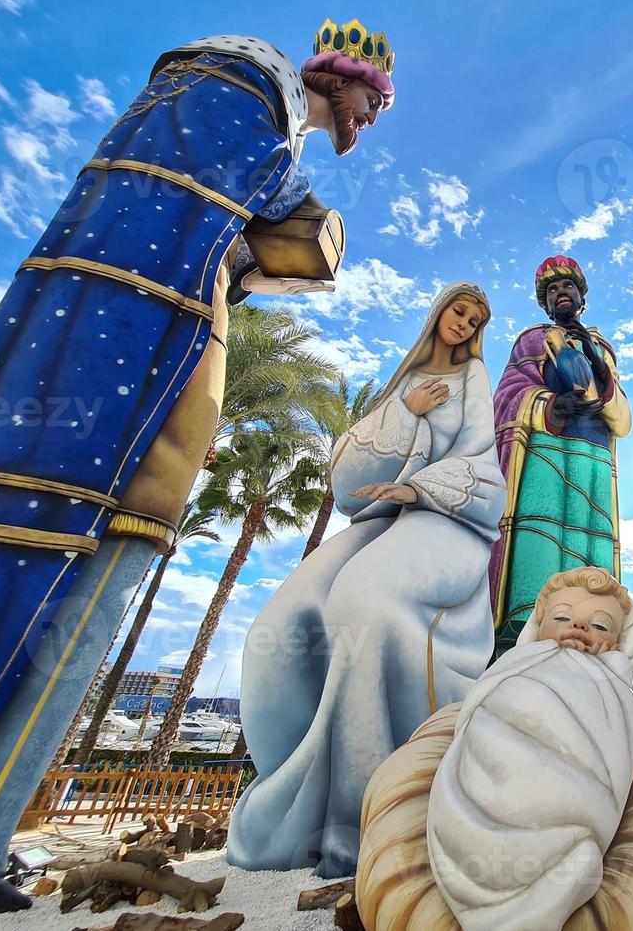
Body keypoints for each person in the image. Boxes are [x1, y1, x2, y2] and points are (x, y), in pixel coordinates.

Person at [0, 18, 393, 920]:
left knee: (104, 573)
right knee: (71, 568)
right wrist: (293, 232)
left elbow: (269, 238)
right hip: (125, 365)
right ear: (341, 81)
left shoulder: (251, 129)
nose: (371, 121)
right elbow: (289, 229)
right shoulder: (234, 92)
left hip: (160, 363)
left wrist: (271, 246)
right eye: (374, 101)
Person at [228, 283, 506, 880]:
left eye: (476, 320)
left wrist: (419, 488)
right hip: (384, 520)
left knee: (366, 600)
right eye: (460, 312)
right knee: (279, 624)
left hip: (447, 520)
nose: (465, 324)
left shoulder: (474, 380)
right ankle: (301, 815)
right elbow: (348, 477)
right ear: (439, 313)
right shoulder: (404, 385)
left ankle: (374, 818)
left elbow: (483, 462)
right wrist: (408, 413)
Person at [427, 567, 633, 931]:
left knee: (577, 861)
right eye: (561, 617)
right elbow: (470, 720)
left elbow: (618, 754)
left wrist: (612, 669)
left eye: (601, 626)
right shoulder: (514, 665)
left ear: (620, 643)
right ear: (538, 625)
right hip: (475, 801)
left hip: (567, 817)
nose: (577, 627)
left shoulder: (611, 687)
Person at [488, 256, 631, 654]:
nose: (560, 294)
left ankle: (593, 637)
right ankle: (521, 639)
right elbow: (507, 394)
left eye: (567, 287)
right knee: (541, 536)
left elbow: (622, 416)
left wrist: (598, 381)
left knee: (591, 550)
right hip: (547, 450)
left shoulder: (601, 346)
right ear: (544, 303)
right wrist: (549, 406)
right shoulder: (532, 340)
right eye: (551, 290)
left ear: (581, 297)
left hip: (596, 457)